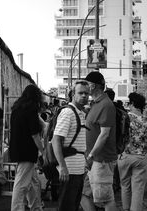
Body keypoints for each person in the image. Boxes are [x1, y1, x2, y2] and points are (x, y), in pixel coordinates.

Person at [52, 81, 89, 211]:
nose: (84, 96)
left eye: (86, 93)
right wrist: (62, 167)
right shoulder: (68, 113)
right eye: (80, 93)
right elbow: (56, 140)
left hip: (78, 169)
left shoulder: (81, 113)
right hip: (69, 169)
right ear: (73, 94)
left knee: (73, 205)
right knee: (66, 206)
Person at [83, 71, 117, 211]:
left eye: (87, 84)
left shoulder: (106, 105)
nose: (85, 87)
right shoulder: (95, 104)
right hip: (93, 160)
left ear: (93, 86)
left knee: (105, 200)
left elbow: (104, 135)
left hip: (101, 160)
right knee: (83, 193)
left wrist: (91, 156)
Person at [10, 84, 44, 211]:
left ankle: (36, 207)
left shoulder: (17, 108)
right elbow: (35, 135)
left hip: (17, 150)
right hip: (27, 152)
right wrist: (43, 152)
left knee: (33, 182)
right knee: (21, 185)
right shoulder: (31, 109)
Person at [117, 92, 147, 211]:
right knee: (138, 188)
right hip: (141, 156)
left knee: (125, 185)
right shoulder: (145, 120)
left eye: (129, 103)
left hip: (124, 155)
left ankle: (125, 209)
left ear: (133, 103)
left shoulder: (124, 117)